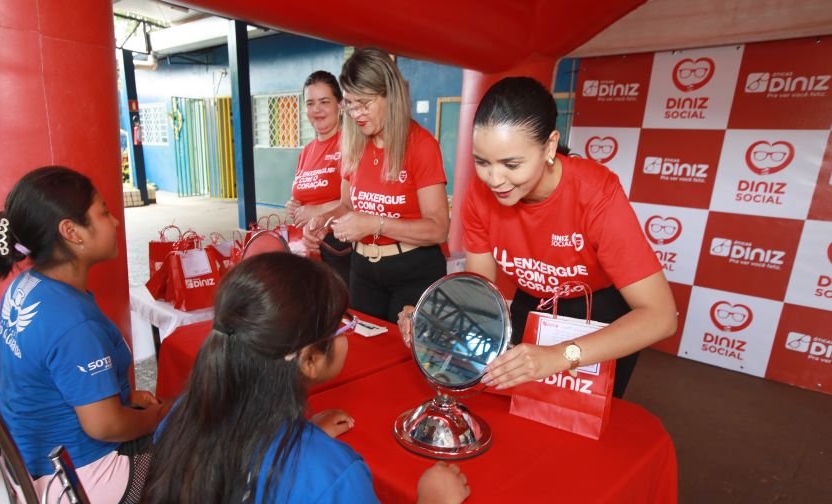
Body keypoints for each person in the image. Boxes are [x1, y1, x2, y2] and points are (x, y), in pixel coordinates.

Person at [138, 253, 470, 504]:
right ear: (310, 359)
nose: (348, 334)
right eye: (342, 325)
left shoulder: (178, 420)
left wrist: (296, 440)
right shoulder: (329, 473)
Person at [399, 77, 677, 398]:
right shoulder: (480, 193)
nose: (495, 179)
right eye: (482, 162)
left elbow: (660, 317)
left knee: (578, 428)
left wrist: (560, 356)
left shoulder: (596, 191)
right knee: (517, 412)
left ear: (549, 146)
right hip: (530, 305)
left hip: (596, 314)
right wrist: (429, 316)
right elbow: (479, 286)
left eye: (511, 164)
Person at [0, 166, 167, 504]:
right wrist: (158, 416)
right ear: (71, 231)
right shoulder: (73, 323)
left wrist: (123, 395)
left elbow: (56, 379)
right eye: (103, 212)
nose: (115, 222)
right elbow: (105, 425)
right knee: (208, 441)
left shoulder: (27, 286)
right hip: (81, 480)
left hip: (33, 465)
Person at [304, 47, 450, 323]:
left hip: (412, 270)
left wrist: (376, 224)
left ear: (390, 96)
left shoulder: (421, 145)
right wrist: (322, 221)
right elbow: (347, 205)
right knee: (366, 349)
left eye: (364, 103)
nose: (356, 114)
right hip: (362, 269)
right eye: (349, 104)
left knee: (407, 357)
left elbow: (439, 228)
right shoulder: (354, 142)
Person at [286, 70, 352, 284]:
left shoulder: (350, 145)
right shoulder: (306, 151)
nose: (317, 110)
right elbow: (304, 194)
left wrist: (317, 211)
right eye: (310, 103)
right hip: (306, 248)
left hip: (338, 248)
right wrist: (294, 206)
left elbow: (357, 202)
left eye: (324, 102)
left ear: (339, 105)